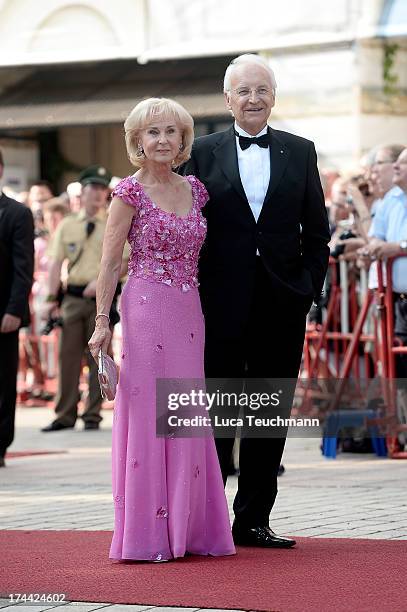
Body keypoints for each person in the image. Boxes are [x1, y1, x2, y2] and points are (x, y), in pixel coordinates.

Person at [183, 54, 330, 548]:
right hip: (217, 302)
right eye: (243, 91)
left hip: (282, 302)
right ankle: (207, 520)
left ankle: (252, 521)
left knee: (267, 412)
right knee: (219, 411)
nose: (252, 99)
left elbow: (318, 233)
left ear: (274, 96)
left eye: (261, 90)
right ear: (227, 99)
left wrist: (308, 286)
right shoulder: (199, 152)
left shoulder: (301, 151)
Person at [88, 97, 235, 562]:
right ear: (137, 140)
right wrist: (101, 323)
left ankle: (190, 529)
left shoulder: (196, 188)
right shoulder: (127, 193)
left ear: (183, 139)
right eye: (153, 133)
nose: (163, 140)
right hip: (146, 305)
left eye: (171, 132)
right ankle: (149, 535)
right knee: (153, 412)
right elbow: (110, 264)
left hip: (190, 308)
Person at [41, 166, 125, 432]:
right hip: (73, 297)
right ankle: (64, 414)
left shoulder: (113, 220)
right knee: (67, 356)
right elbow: (55, 264)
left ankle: (92, 414)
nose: (99, 194)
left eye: (103, 189)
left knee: (99, 357)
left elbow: (124, 261)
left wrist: (99, 283)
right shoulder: (67, 224)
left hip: (101, 299)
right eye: (94, 188)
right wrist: (51, 298)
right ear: (83, 191)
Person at [0, 149, 34, 467]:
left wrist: (14, 309)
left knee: (3, 381)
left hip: (4, 315)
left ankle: (0, 444)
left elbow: (24, 268)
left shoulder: (16, 213)